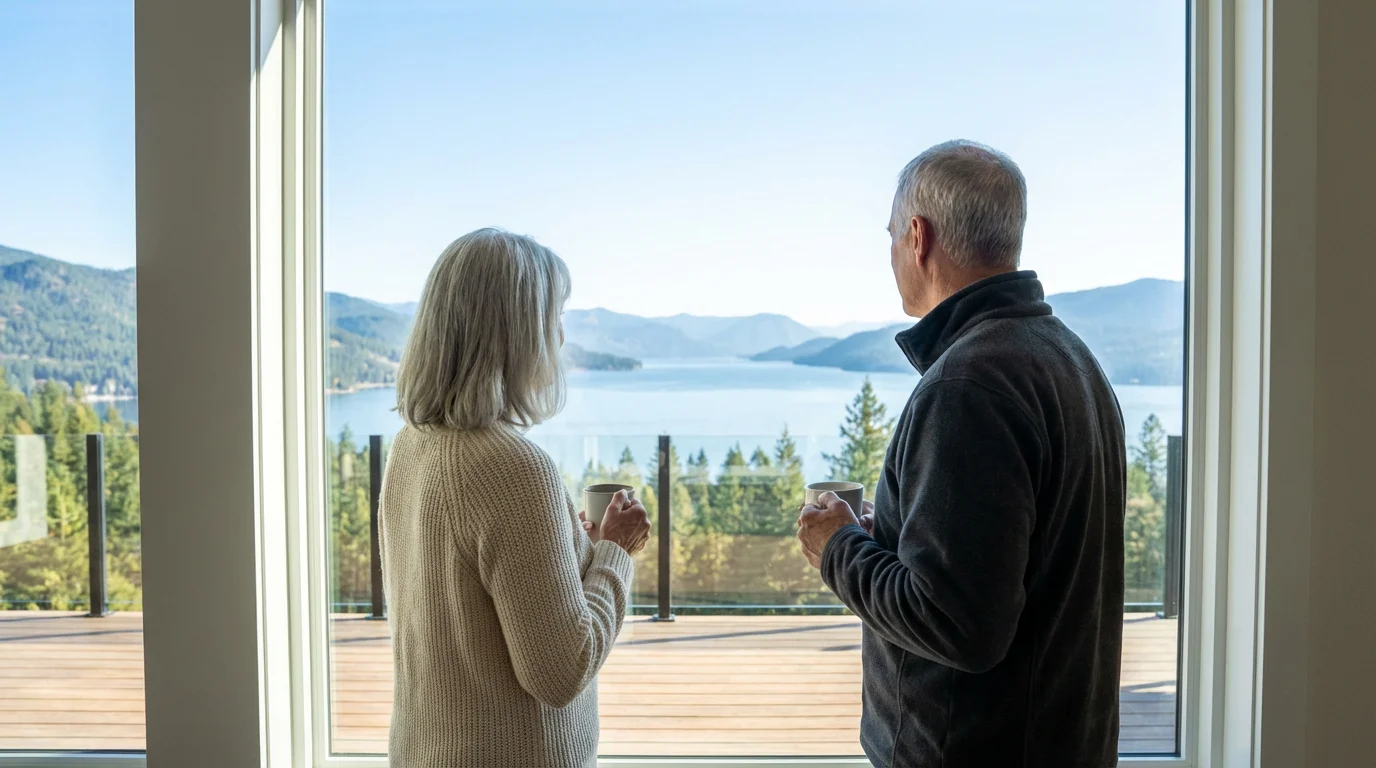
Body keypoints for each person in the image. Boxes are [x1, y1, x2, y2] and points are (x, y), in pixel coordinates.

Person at [797, 140, 1126, 767]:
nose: (891, 252)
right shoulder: (1072, 360)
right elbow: (1004, 566)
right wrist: (883, 538)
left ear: (918, 237)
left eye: (891, 234)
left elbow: (958, 624)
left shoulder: (968, 385)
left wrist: (837, 549)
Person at [380, 228, 651, 767]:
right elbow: (561, 671)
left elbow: (470, 608)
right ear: (518, 334)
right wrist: (616, 553)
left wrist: (576, 549)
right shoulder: (515, 468)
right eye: (553, 320)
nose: (562, 338)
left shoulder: (412, 444)